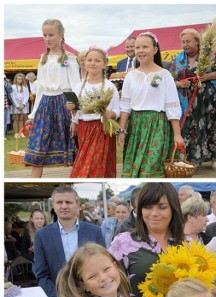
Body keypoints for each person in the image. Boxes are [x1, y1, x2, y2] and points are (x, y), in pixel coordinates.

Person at [109, 183, 187, 297]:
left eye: (162, 207)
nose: (154, 214)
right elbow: (108, 284)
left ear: (173, 208)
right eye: (148, 207)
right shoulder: (124, 242)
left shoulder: (187, 244)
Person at [32, 185, 105, 297]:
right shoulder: (42, 235)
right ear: (54, 205)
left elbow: (102, 266)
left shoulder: (94, 231)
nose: (64, 206)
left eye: (68, 202)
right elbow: (41, 274)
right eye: (59, 202)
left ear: (78, 205)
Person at [117, 32, 184, 178]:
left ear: (155, 49)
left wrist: (177, 135)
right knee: (135, 167)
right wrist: (121, 130)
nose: (140, 50)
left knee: (152, 166)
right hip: (136, 127)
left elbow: (172, 105)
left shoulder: (165, 75)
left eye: (145, 47)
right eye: (137, 47)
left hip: (158, 126)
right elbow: (125, 105)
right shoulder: (130, 76)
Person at [24, 19, 81, 178]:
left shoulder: (69, 58)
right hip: (45, 105)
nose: (47, 38)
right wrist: (32, 115)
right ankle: (34, 184)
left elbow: (75, 87)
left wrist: (75, 116)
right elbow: (41, 89)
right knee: (38, 148)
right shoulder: (43, 58)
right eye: (44, 35)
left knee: (71, 147)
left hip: (64, 104)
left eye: (51, 34)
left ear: (61, 35)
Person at [170, 28, 216, 170]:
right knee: (189, 128)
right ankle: (189, 159)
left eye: (188, 41)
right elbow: (169, 79)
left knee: (210, 126)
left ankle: (214, 157)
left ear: (197, 41)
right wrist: (179, 83)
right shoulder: (177, 59)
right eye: (183, 42)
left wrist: (207, 76)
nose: (185, 45)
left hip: (208, 99)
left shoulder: (209, 56)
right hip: (186, 100)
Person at [65, 47, 120, 178]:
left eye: (97, 60)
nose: (92, 63)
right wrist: (72, 110)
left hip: (101, 129)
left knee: (95, 164)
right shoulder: (79, 86)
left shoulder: (109, 86)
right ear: (84, 63)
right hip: (84, 129)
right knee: (84, 162)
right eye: (89, 60)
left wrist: (109, 114)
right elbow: (77, 113)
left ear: (104, 64)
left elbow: (118, 109)